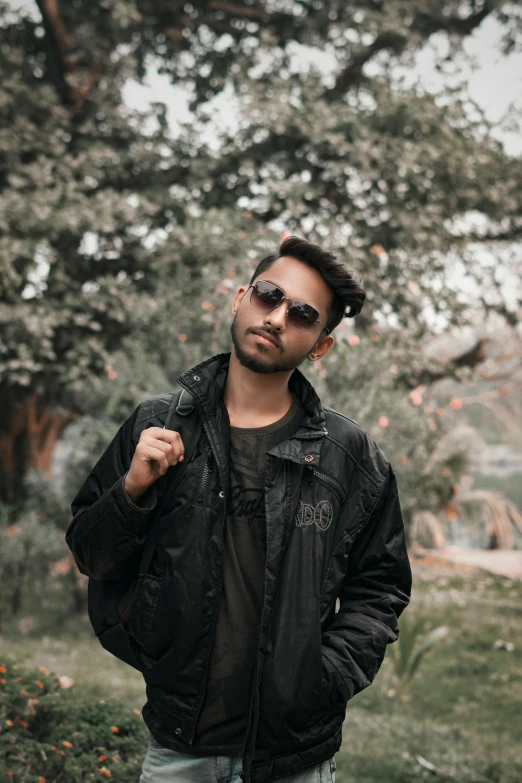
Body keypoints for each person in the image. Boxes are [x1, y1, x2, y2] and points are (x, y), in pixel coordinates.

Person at [66, 236, 412, 783]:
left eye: (301, 313)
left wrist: (323, 677)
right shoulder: (157, 426)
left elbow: (381, 588)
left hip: (295, 751)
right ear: (239, 298)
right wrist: (131, 492)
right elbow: (92, 554)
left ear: (320, 345)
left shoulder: (350, 457)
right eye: (268, 295)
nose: (276, 317)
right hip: (180, 741)